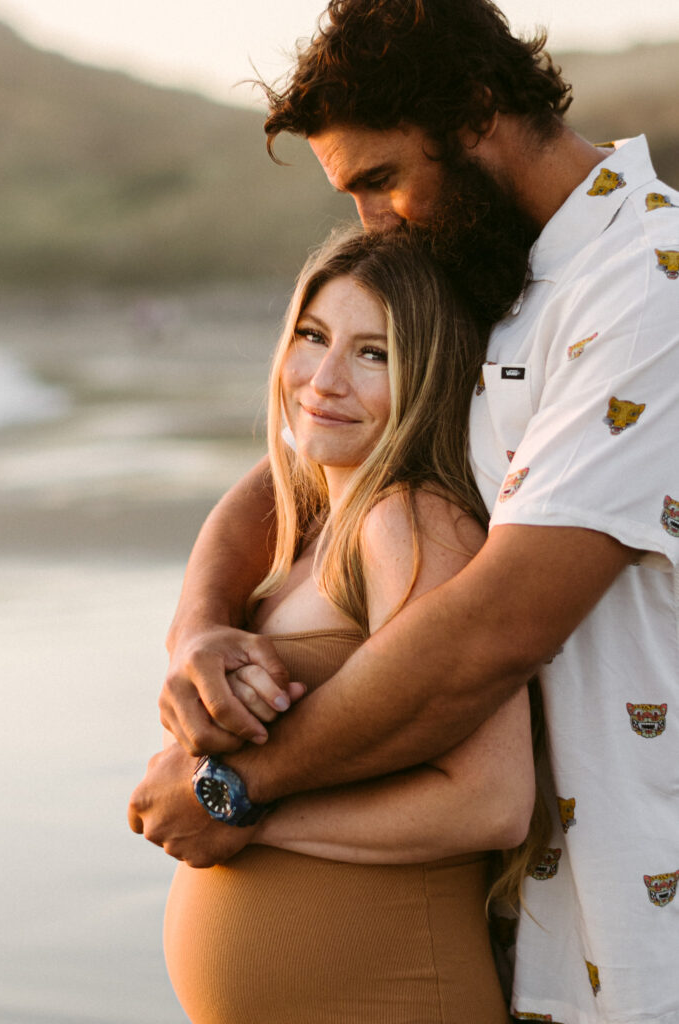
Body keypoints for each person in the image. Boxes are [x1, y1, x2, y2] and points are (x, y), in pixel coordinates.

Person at [129, 1, 679, 1020]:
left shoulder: (647, 286)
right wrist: (198, 626)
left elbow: (492, 631)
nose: (371, 220)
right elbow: (298, 466)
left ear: (474, 111)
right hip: (520, 918)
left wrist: (239, 791)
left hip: (637, 907)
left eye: (381, 180)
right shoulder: (498, 269)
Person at [160, 225, 538, 1023]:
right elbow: (265, 481)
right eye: (313, 336)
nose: (324, 379)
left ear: (428, 375)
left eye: (374, 354)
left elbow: (491, 802)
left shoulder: (409, 520)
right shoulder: (314, 521)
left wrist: (239, 812)